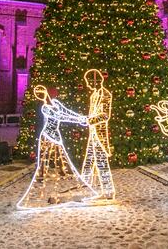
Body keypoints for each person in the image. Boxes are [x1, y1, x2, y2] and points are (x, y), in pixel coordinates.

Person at [16, 86, 97, 209]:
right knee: (44, 162)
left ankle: (72, 186)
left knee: (64, 162)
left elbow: (66, 112)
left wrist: (81, 118)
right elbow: (60, 116)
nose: (55, 93)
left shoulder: (56, 103)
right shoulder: (45, 108)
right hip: (47, 137)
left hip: (56, 137)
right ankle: (40, 187)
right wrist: (80, 120)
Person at [80, 69, 116, 200]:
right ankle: (84, 186)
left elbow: (105, 115)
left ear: (95, 81)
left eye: (88, 82)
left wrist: (90, 121)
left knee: (101, 161)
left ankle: (108, 190)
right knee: (89, 161)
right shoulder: (93, 95)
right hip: (92, 133)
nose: (87, 84)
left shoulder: (105, 94)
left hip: (99, 134)